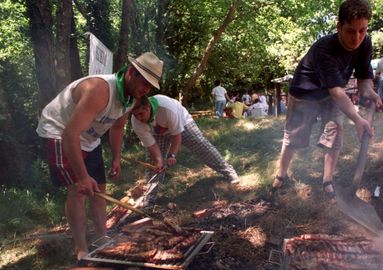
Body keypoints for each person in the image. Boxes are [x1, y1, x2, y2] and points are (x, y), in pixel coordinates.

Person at [36, 52, 164, 261]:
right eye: (145, 83)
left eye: (151, 87)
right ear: (132, 72)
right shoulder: (100, 90)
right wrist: (82, 176)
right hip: (59, 132)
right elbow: (70, 134)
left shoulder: (131, 98)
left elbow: (117, 128)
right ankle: (82, 248)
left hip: (88, 138)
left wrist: (116, 157)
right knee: (79, 190)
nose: (146, 90)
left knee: (99, 189)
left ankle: (102, 237)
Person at [272, 0, 382, 202]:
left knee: (335, 132)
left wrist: (370, 93)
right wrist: (358, 120)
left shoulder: (365, 43)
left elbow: (364, 79)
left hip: (333, 92)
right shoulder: (325, 49)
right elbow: (338, 92)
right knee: (294, 137)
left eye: (362, 30)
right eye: (350, 31)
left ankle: (327, 181)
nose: (357, 38)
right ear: (339, 26)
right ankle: (281, 175)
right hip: (304, 92)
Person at [131, 95, 240, 202]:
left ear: (148, 108)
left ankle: (229, 172)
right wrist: (159, 161)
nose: (139, 118)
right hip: (157, 133)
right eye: (135, 115)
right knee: (153, 163)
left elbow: (177, 136)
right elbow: (151, 145)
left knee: (202, 146)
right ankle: (150, 197)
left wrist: (172, 154)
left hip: (182, 122)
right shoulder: (136, 122)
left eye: (141, 114)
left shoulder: (166, 109)